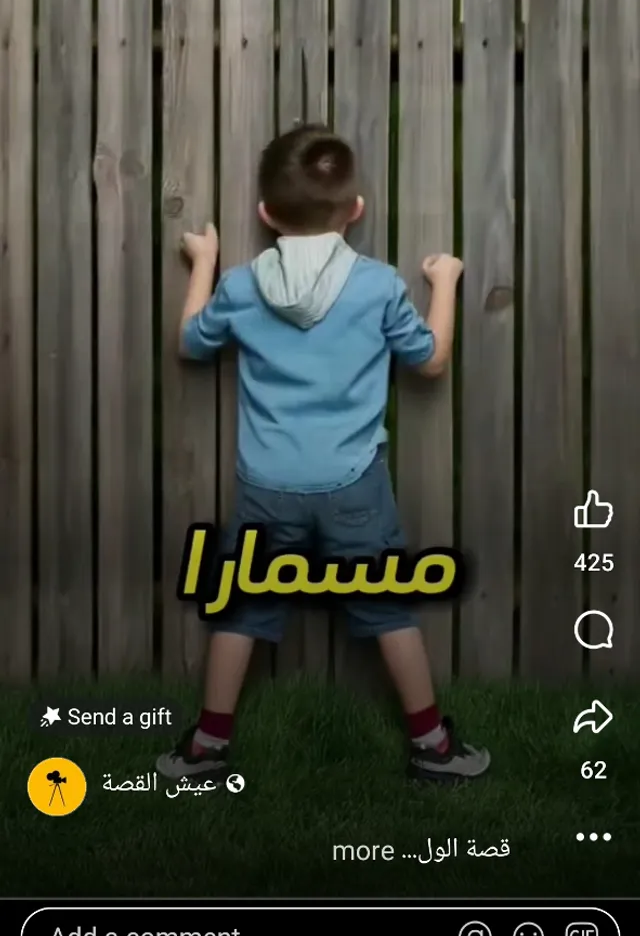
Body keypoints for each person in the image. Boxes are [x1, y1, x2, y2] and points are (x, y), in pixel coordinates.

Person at [157, 124, 490, 785]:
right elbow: (430, 361)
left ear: (265, 213)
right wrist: (445, 281)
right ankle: (433, 748)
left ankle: (204, 751)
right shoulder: (379, 286)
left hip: (267, 484)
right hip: (354, 483)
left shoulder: (245, 286)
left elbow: (191, 344)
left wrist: (203, 265)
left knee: (242, 609)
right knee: (388, 607)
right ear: (356, 208)